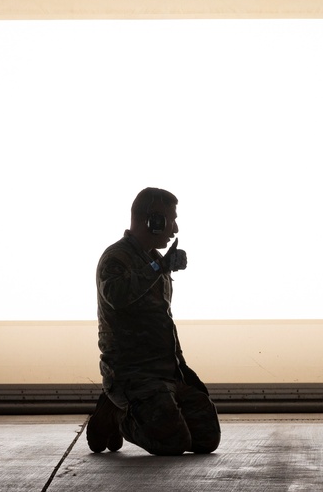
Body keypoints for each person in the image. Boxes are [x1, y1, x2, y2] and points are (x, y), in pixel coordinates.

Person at [86, 187, 221, 455]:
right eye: (170, 220)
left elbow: (163, 319)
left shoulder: (154, 260)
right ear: (153, 221)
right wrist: (159, 268)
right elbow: (117, 295)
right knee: (173, 443)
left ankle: (153, 409)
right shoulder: (116, 258)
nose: (175, 228)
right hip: (133, 375)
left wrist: (181, 367)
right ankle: (115, 415)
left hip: (165, 373)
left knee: (206, 439)